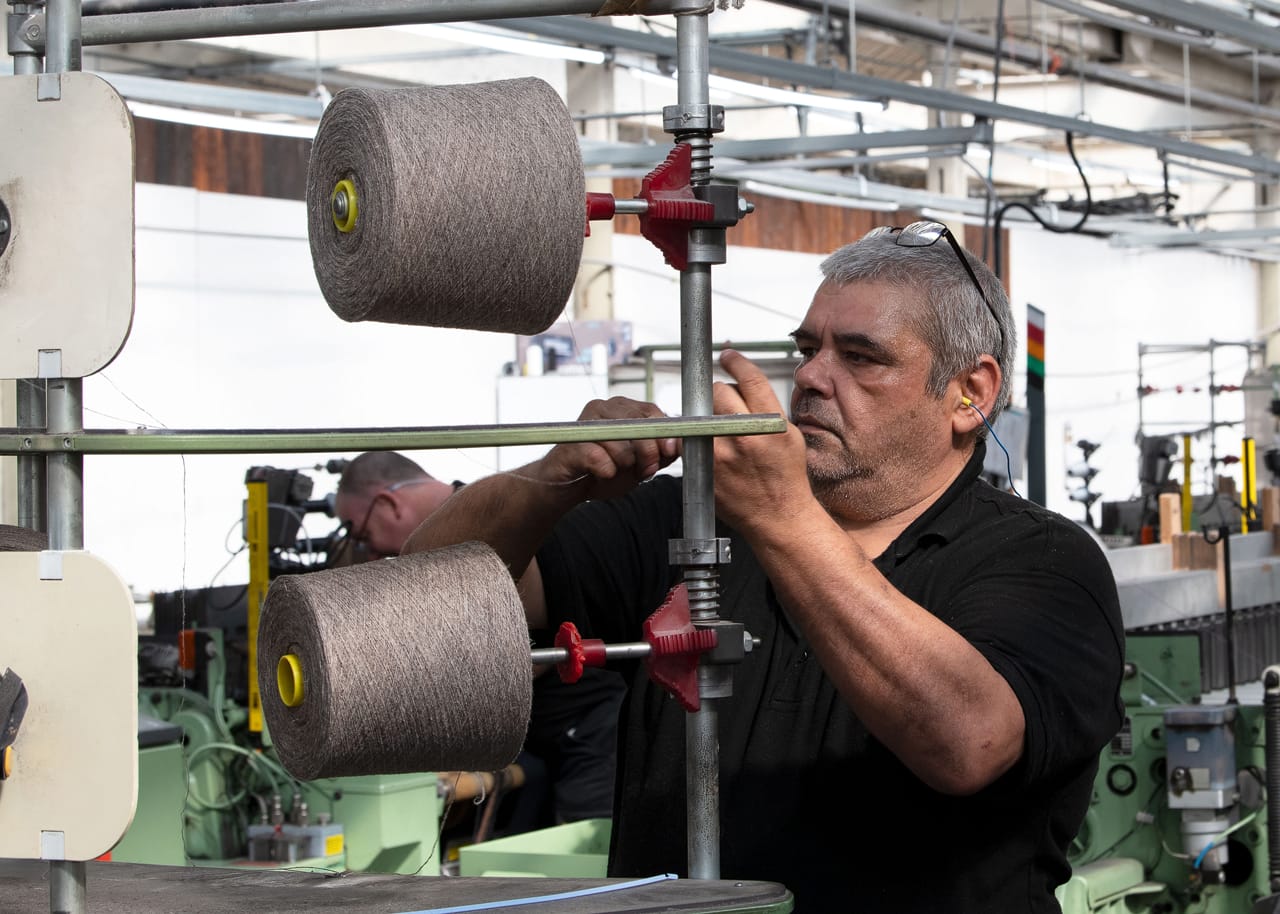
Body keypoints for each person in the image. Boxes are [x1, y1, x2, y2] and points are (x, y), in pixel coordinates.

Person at [402, 221, 1126, 912]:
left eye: (862, 356)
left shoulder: (1045, 563)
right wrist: (549, 483)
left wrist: (781, 517)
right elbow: (425, 608)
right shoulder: (683, 522)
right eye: (808, 348)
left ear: (971, 393)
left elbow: (970, 741)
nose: (810, 377)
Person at [334, 450, 626, 829]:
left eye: (363, 536)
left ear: (390, 505)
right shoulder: (492, 526)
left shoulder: (511, 526)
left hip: (592, 742)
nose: (371, 555)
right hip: (531, 754)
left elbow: (510, 655)